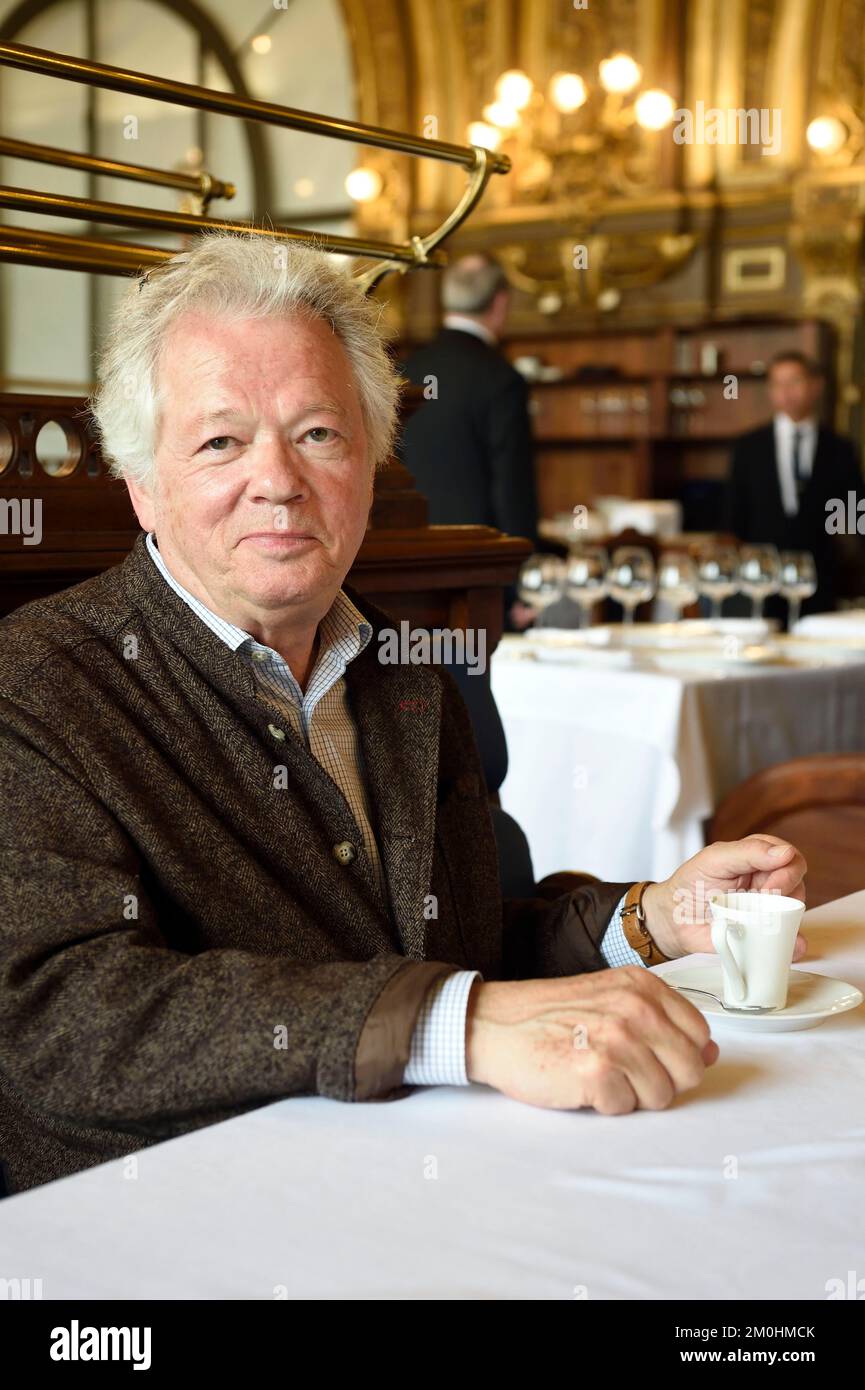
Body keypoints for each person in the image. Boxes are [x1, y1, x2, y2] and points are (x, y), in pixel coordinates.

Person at [0, 234, 807, 1194]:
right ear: (142, 485)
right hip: (178, 1224)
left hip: (434, 1181)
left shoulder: (405, 668)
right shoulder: (37, 684)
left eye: (318, 434)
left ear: (370, 465)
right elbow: (59, 1018)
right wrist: (453, 1025)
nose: (278, 481)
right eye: (220, 441)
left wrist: (650, 919)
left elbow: (449, 948)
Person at [398, 253, 539, 629]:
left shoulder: (404, 371)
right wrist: (520, 589)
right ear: (501, 302)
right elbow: (513, 492)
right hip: (479, 577)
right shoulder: (500, 379)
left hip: (402, 570)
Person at [725, 350, 864, 616]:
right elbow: (733, 518)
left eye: (795, 382)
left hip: (822, 580)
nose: (786, 392)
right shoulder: (748, 447)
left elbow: (855, 516)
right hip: (762, 578)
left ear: (816, 386)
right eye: (778, 384)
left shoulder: (840, 449)